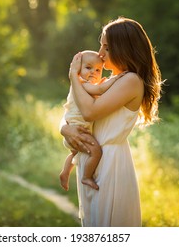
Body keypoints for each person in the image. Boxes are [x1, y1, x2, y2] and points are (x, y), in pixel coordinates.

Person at [60, 17, 163, 227]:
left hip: (110, 163)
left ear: (124, 48)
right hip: (92, 157)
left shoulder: (131, 81)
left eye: (106, 47)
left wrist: (73, 75)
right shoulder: (105, 82)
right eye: (101, 46)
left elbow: (89, 112)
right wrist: (64, 128)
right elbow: (74, 109)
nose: (100, 53)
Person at [59, 50, 126, 191]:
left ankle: (65, 172)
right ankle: (86, 177)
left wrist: (103, 83)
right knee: (96, 152)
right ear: (78, 69)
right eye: (88, 68)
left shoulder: (86, 85)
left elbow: (99, 88)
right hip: (78, 130)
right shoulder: (81, 83)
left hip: (74, 128)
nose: (93, 73)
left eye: (98, 70)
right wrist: (116, 78)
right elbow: (100, 89)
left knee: (74, 153)